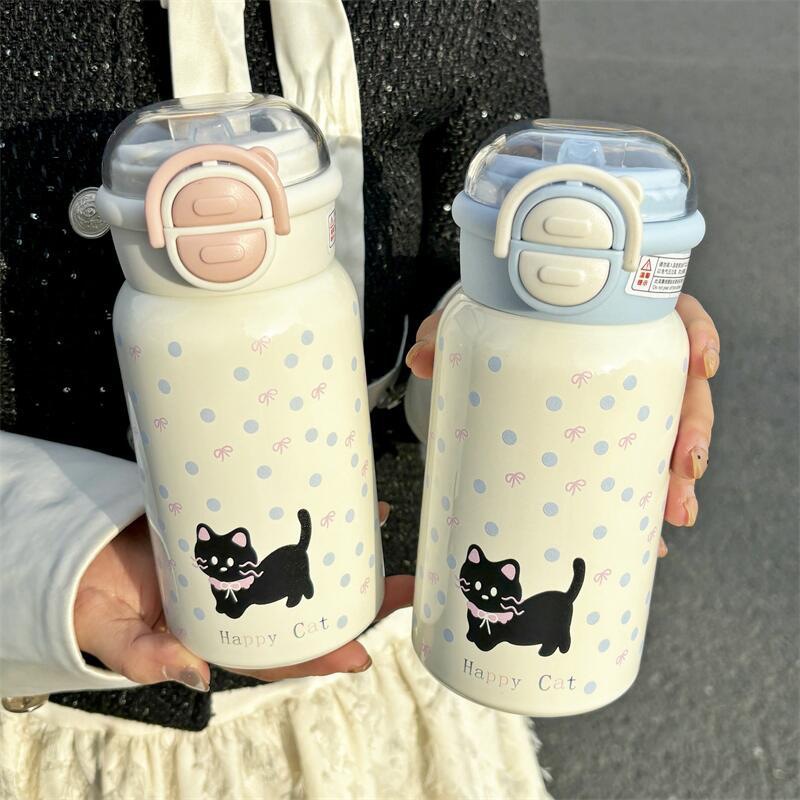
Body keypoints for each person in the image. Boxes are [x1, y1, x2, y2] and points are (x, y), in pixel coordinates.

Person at [0, 1, 718, 797]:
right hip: (44, 694)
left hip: (391, 638)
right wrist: (37, 551)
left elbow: (471, 241)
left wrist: (514, 361)